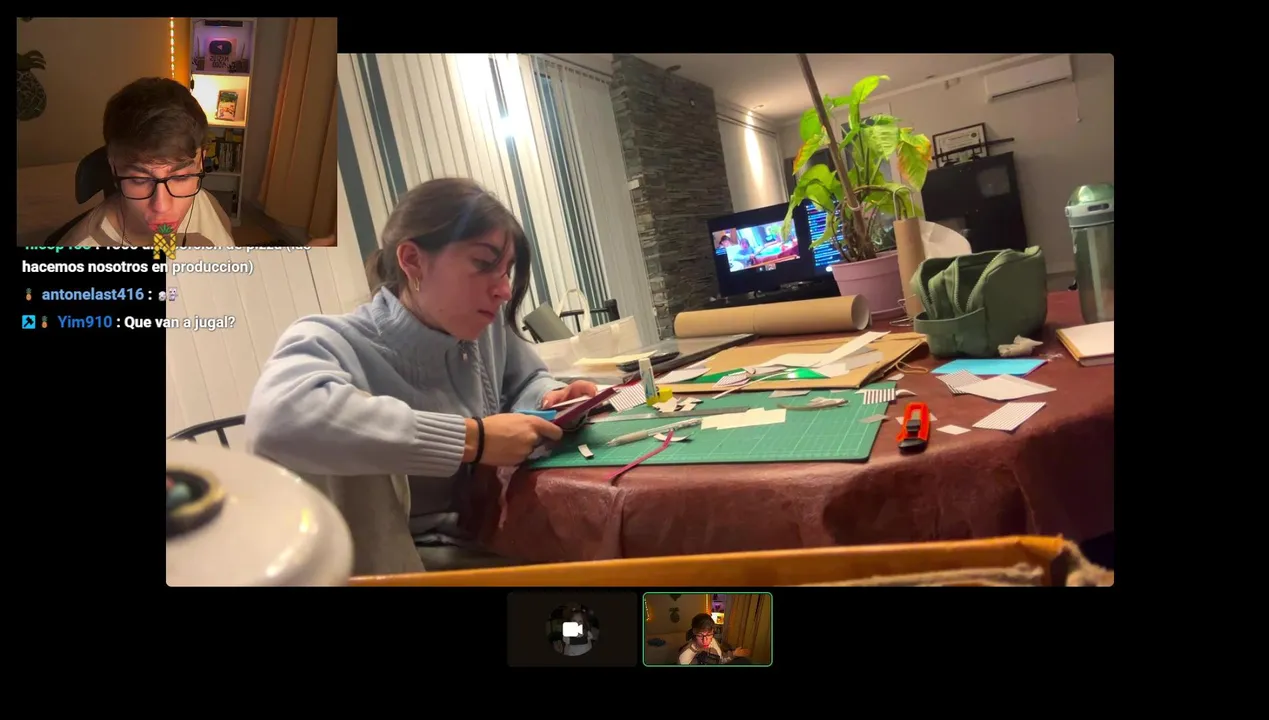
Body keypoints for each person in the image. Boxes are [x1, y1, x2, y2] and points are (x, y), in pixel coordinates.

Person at [244, 177, 598, 575]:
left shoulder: (484, 327)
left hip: (490, 531)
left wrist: (550, 397)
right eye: (484, 264)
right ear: (412, 260)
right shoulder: (330, 340)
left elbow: (526, 380)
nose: (503, 290)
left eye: (506, 271)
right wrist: (474, 439)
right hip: (399, 565)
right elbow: (276, 421)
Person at [59, 77, 235, 248]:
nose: (162, 207)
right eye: (140, 180)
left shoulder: (205, 204)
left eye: (181, 177)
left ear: (201, 162)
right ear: (114, 167)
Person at [678, 613, 751, 665]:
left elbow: (720, 660)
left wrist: (733, 654)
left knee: (744, 661)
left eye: (709, 635)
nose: (705, 640)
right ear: (694, 633)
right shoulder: (685, 656)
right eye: (700, 635)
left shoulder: (713, 641)